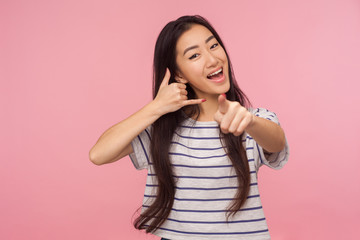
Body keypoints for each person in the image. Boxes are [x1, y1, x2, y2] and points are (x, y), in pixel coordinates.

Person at [89, 15, 289, 240]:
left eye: (214, 45)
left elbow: (277, 142)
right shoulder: (161, 131)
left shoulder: (251, 120)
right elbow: (98, 154)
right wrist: (156, 107)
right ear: (179, 74)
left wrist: (249, 122)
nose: (213, 59)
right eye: (195, 55)